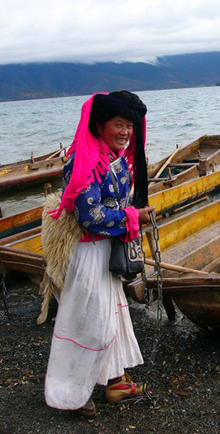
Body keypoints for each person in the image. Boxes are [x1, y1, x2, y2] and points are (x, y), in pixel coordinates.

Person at [42, 91, 155, 417]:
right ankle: (70, 393)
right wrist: (133, 218)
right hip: (87, 253)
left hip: (104, 250)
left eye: (130, 126)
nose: (126, 132)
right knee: (88, 323)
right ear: (100, 125)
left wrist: (131, 213)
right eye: (118, 124)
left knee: (112, 318)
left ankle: (116, 383)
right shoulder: (85, 160)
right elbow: (87, 215)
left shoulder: (110, 157)